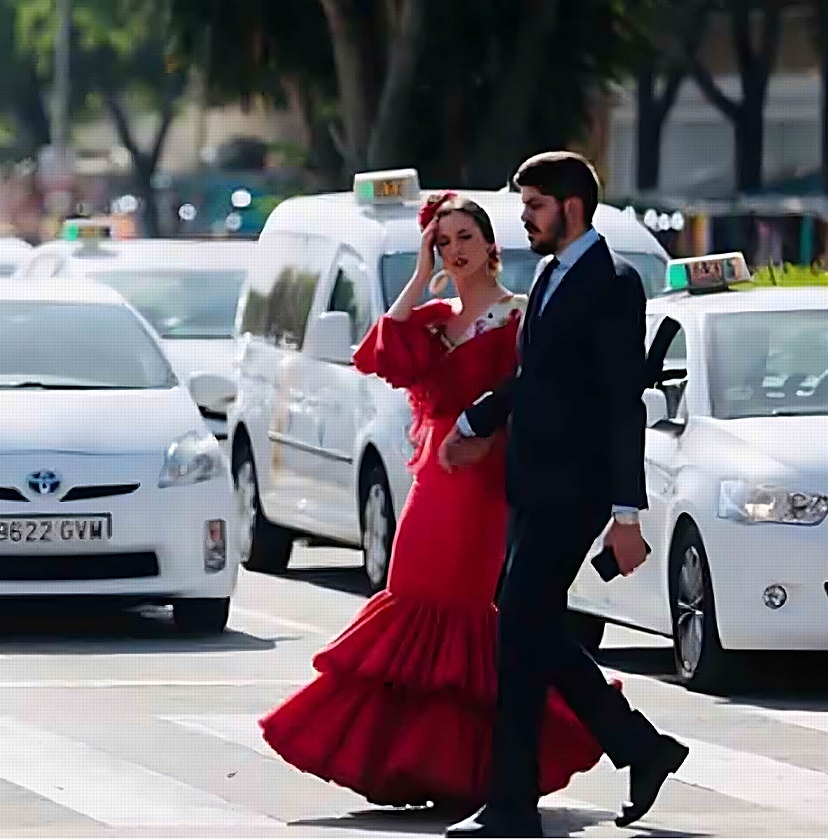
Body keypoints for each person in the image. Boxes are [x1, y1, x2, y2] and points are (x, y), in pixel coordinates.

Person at [258, 192, 620, 809]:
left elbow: (541, 397)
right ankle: (411, 765)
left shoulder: (519, 316)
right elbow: (376, 354)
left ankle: (483, 775)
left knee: (478, 619)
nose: (454, 251)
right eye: (442, 242)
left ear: (490, 247)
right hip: (433, 485)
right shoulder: (432, 317)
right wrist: (420, 274)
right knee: (411, 605)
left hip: (491, 484)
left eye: (463, 239)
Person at [441, 152, 689, 839]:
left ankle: (513, 806)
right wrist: (477, 419)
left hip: (574, 491)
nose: (524, 220)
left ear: (571, 208)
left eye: (534, 207)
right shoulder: (551, 273)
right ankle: (641, 747)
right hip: (532, 481)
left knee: (519, 637)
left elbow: (621, 404)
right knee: (526, 627)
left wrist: (625, 513)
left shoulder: (613, 283)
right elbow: (539, 376)